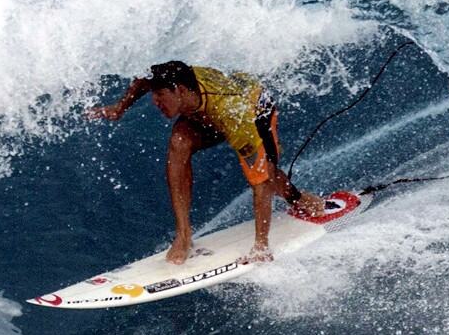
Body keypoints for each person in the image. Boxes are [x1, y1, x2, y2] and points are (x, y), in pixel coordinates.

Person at [88, 61, 326, 265]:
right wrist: (119, 107)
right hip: (206, 113)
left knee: (268, 175)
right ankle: (183, 235)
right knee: (179, 142)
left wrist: (261, 246)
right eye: (155, 94)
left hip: (253, 110)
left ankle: (298, 198)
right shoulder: (173, 81)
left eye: (160, 96)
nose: (154, 101)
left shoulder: (234, 116)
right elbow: (144, 80)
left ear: (180, 90)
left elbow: (260, 184)